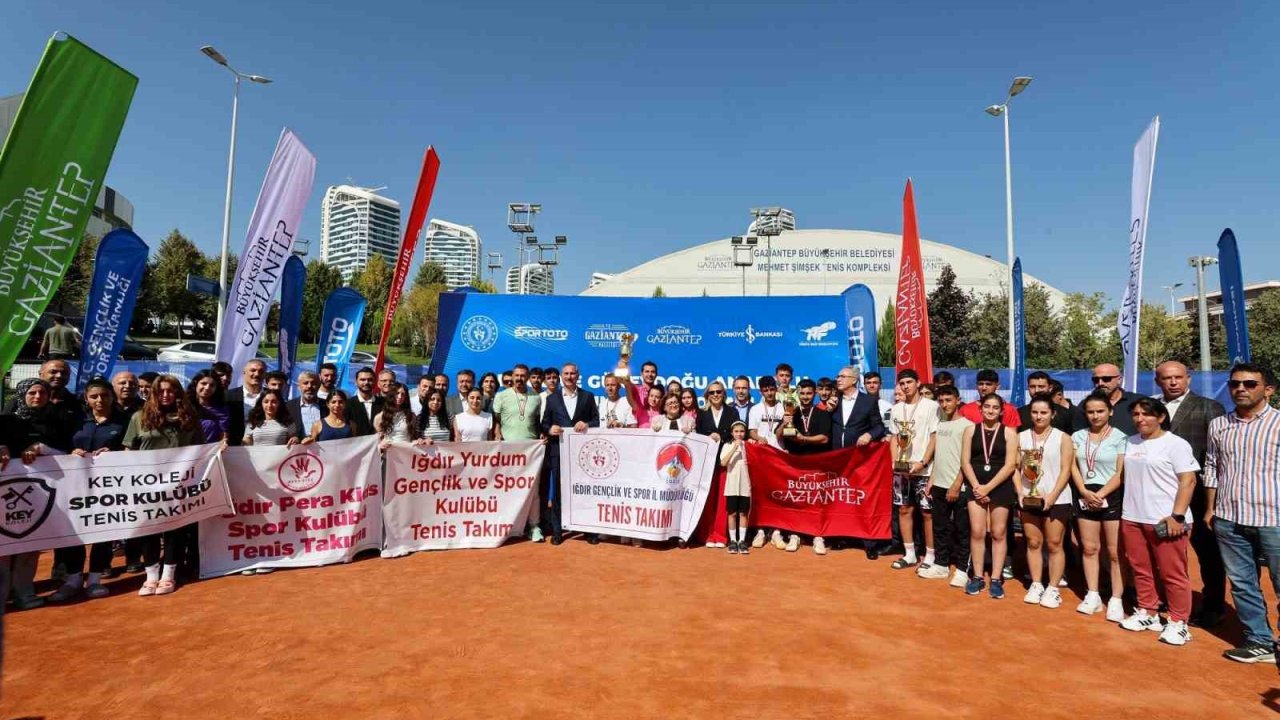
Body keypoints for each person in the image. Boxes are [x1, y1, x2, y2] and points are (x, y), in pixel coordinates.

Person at [1204, 363, 1280, 663]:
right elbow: (1212, 467)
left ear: (1268, 389)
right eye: (1235, 384)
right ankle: (1259, 640)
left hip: (1273, 518)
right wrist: (1211, 508)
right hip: (1229, 517)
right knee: (1242, 582)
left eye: (1250, 384)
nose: (1241, 389)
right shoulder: (1219, 425)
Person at [1118, 398, 1199, 645]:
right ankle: (1148, 611)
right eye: (1136, 414)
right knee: (1140, 568)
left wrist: (1178, 515)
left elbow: (1188, 481)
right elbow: (1120, 477)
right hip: (1132, 516)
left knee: (1173, 573)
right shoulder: (1129, 442)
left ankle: (1178, 622)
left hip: (1166, 519)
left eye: (1146, 414)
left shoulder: (1176, 444)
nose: (1140, 419)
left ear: (1161, 417)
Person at [1153, 360, 1227, 628]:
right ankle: (1164, 598)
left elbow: (1216, 456)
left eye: (1178, 377)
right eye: (1166, 378)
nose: (1173, 382)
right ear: (1157, 381)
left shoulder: (1209, 407)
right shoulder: (1151, 408)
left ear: (1188, 379)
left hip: (1195, 492)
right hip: (1159, 492)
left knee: (1207, 551)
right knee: (1164, 548)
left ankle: (1213, 605)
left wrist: (1211, 497)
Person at [123, 374, 205, 596]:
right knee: (148, 530)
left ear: (178, 393)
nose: (166, 395)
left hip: (178, 484)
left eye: (171, 391)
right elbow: (129, 450)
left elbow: (200, 449)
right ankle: (151, 575)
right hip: (146, 486)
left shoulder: (189, 417)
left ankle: (169, 574)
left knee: (174, 531)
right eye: (161, 392)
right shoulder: (139, 417)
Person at [48, 378, 130, 600]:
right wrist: (72, 452)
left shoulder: (124, 421)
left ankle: (94, 578)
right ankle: (73, 579)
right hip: (75, 485)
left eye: (104, 395)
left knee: (103, 531)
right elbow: (61, 446)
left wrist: (114, 455)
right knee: (75, 530)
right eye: (94, 396)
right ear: (86, 398)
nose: (99, 400)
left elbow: (131, 449)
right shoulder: (76, 420)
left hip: (109, 487)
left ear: (112, 397)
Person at [1070, 391, 1127, 621]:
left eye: (1100, 411)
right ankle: (1092, 594)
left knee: (1114, 552)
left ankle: (1116, 599)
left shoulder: (1121, 437)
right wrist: (1084, 490)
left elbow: (1120, 473)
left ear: (1110, 412)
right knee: (1089, 548)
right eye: (1091, 411)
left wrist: (1101, 493)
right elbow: (1072, 466)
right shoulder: (1077, 436)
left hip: (1110, 495)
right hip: (1085, 494)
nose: (1095, 416)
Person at [1016, 395, 1075, 609]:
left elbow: (1066, 470)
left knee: (1054, 543)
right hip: (1028, 498)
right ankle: (1037, 584)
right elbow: (1015, 468)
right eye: (1035, 412)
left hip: (1056, 499)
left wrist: (1052, 496)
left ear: (1053, 414)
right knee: (1033, 542)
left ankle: (1053, 587)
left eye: (1043, 412)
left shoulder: (1063, 438)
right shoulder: (1021, 437)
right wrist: (1019, 493)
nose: (1038, 416)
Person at [961, 393, 1019, 599]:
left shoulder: (1010, 433)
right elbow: (965, 462)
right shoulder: (970, 430)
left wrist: (988, 488)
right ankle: (977, 576)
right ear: (981, 409)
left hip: (1000, 486)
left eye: (995, 407)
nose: (991, 411)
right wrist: (977, 486)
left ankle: (995, 578)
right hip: (975, 485)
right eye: (987, 407)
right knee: (977, 531)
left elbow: (1011, 465)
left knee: (998, 532)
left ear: (1002, 411)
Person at [829, 366, 889, 558]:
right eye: (837, 376)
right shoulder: (833, 400)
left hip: (861, 460)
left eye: (842, 376)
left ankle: (869, 542)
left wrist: (870, 434)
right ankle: (841, 537)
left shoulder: (868, 401)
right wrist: (827, 409)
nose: (838, 379)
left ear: (854, 380)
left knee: (862, 499)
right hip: (838, 458)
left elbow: (879, 426)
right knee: (840, 499)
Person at [540, 363, 600, 544]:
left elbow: (596, 420)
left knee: (584, 492)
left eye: (572, 373)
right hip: (559, 453)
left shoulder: (588, 397)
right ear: (561, 376)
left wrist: (587, 424)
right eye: (566, 374)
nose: (569, 377)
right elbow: (543, 423)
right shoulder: (552, 399)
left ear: (578, 375)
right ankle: (558, 531)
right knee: (558, 493)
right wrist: (550, 429)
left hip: (582, 455)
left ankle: (587, 531)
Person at [888, 370, 940, 571]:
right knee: (904, 509)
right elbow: (894, 437)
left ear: (918, 383)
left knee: (927, 512)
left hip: (924, 469)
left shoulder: (932, 407)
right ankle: (909, 554)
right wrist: (894, 461)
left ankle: (930, 555)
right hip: (901, 468)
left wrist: (924, 462)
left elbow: (935, 437)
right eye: (902, 383)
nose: (905, 386)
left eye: (909, 382)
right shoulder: (896, 409)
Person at [922, 385, 973, 586]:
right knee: (940, 527)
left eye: (948, 400)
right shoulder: (941, 425)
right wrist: (932, 478)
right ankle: (941, 565)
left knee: (962, 529)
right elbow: (939, 455)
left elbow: (966, 459)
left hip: (957, 487)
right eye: (941, 401)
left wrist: (957, 483)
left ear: (958, 400)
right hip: (939, 485)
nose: (945, 405)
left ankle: (962, 569)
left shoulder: (967, 426)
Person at [776, 379, 832, 554]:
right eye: (803, 393)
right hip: (795, 463)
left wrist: (804, 439)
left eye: (809, 393)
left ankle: (818, 536)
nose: (806, 397)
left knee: (817, 500)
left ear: (814, 394)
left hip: (816, 463)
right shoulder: (791, 411)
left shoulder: (822, 414)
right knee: (797, 500)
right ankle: (795, 534)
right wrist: (785, 423)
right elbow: (778, 436)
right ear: (798, 394)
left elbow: (825, 438)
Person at [492, 364, 544, 541]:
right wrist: (498, 433)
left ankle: (534, 526)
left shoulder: (536, 397)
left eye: (523, 375)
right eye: (517, 375)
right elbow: (496, 420)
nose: (520, 378)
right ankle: (508, 525)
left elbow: (538, 423)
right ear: (511, 377)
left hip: (530, 451)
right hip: (508, 451)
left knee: (533, 491)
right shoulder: (501, 396)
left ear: (528, 377)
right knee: (507, 489)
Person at [1074, 363, 1143, 435]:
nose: (1100, 383)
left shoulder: (1138, 401)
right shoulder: (1086, 405)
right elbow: (1080, 433)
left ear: (1119, 380)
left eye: (1106, 379)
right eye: (1096, 380)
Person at [721, 421, 752, 555]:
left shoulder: (749, 445)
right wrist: (734, 448)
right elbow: (723, 462)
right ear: (732, 433)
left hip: (746, 484)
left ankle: (742, 540)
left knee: (743, 513)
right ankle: (733, 540)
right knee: (732, 513)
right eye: (736, 431)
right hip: (732, 484)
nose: (739, 434)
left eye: (742, 431)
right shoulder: (727, 445)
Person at [225, 359, 266, 447]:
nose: (257, 374)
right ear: (244, 372)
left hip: (265, 448)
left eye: (261, 371)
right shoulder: (228, 396)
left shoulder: (272, 396)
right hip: (234, 448)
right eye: (253, 370)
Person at [187, 369, 229, 443]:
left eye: (212, 385)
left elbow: (223, 436)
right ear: (196, 383)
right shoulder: (185, 405)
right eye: (203, 383)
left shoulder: (220, 409)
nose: (207, 388)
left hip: (210, 450)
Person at [287, 371, 329, 442]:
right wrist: (294, 437)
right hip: (299, 449)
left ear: (319, 386)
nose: (309, 386)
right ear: (298, 386)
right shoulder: (289, 406)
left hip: (323, 447)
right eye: (305, 383)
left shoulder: (327, 405)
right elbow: (288, 426)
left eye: (313, 383)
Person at [747, 376, 785, 451]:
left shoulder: (783, 408)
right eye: (765, 390)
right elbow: (752, 432)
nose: (769, 393)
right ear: (760, 392)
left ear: (776, 389)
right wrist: (759, 438)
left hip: (780, 450)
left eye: (772, 389)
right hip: (762, 450)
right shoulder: (755, 409)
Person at [346, 367, 384, 436]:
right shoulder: (347, 404)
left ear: (375, 382)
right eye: (362, 380)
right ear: (356, 382)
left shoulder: (384, 403)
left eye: (370, 380)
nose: (366, 382)